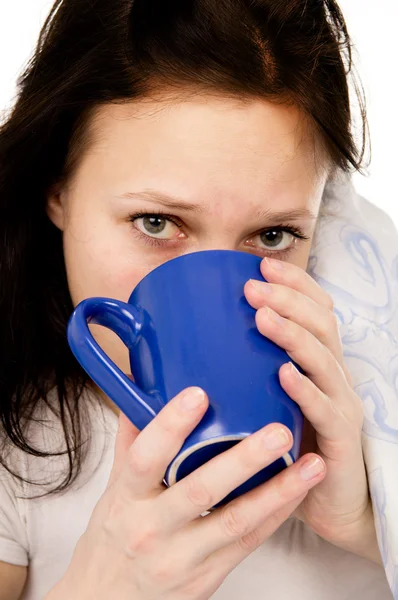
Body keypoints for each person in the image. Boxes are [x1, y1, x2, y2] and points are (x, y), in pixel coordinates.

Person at [0, 0, 394, 598]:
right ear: (58, 192)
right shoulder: (16, 452)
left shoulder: (373, 418)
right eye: (156, 223)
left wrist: (370, 524)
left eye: (272, 236)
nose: (220, 281)